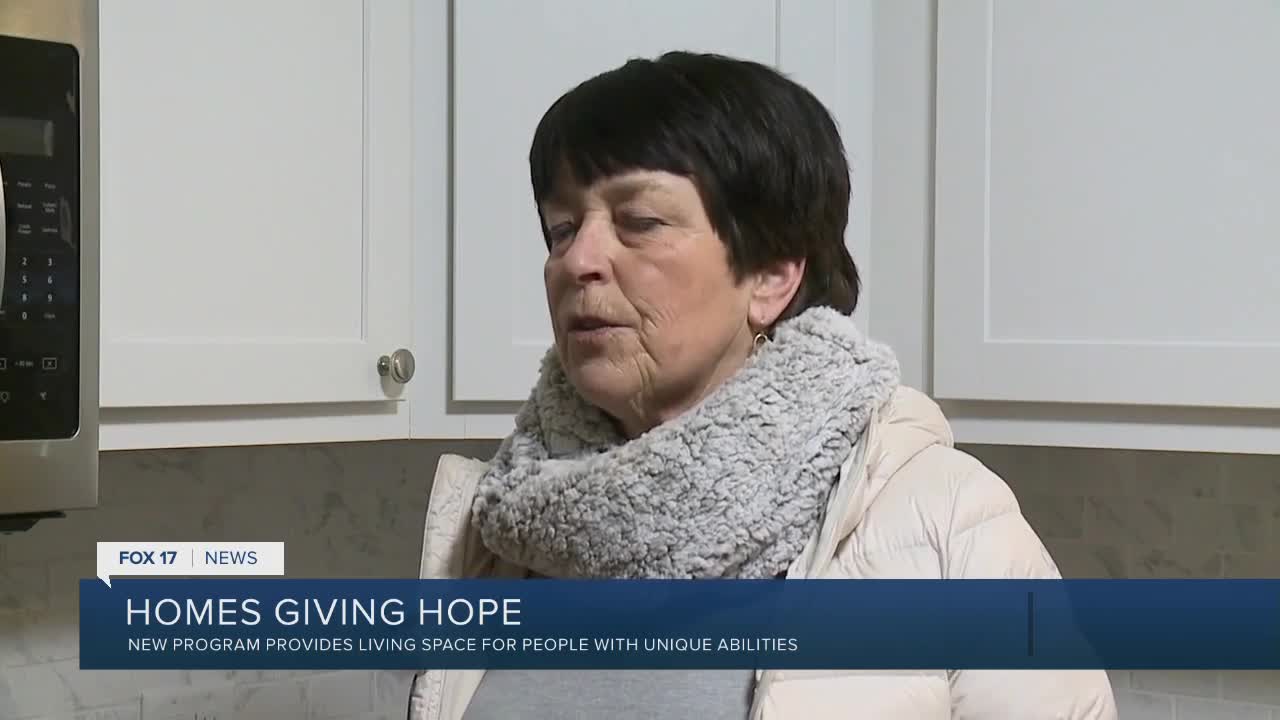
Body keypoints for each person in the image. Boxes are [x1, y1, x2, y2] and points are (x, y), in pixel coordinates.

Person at [409, 51, 1117, 719]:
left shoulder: (945, 523)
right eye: (561, 228)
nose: (578, 261)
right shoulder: (491, 529)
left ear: (772, 275)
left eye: (639, 221)